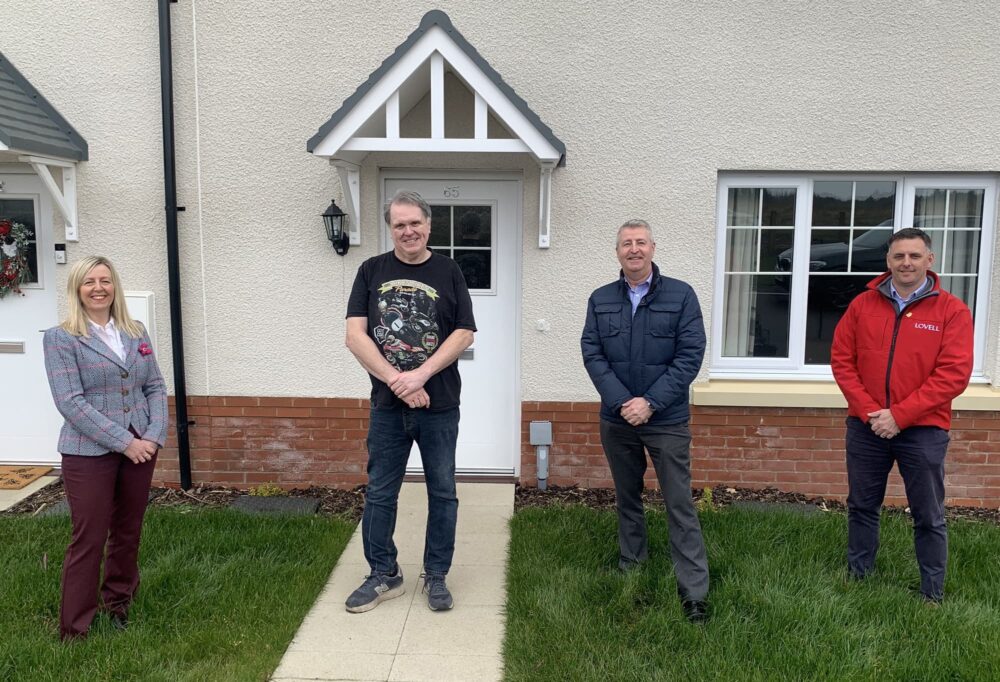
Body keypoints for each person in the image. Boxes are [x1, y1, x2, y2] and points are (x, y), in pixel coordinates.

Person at [344, 190, 476, 613]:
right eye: (399, 224)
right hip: (387, 407)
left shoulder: (449, 271)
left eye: (414, 223)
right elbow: (355, 336)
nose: (408, 231)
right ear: (391, 229)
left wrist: (420, 375)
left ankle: (436, 575)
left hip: (439, 407)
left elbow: (464, 333)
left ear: (428, 224)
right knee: (380, 493)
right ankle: (384, 573)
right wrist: (399, 381)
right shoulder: (370, 271)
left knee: (443, 492)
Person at [831, 227, 973, 603]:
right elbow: (842, 361)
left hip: (924, 429)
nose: (906, 262)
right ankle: (859, 578)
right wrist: (870, 412)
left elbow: (953, 375)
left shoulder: (951, 311)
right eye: (898, 256)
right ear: (888, 261)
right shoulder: (862, 305)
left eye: (914, 255)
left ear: (930, 260)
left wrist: (901, 415)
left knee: (928, 514)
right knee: (862, 506)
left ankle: (932, 591)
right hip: (867, 425)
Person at [581, 219, 710, 623]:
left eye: (640, 243)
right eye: (626, 244)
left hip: (666, 418)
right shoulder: (600, 298)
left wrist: (650, 402)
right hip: (617, 419)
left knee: (678, 502)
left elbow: (690, 355)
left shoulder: (681, 295)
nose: (633, 249)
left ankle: (693, 591)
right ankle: (631, 566)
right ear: (616, 251)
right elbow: (592, 353)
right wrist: (623, 402)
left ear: (653, 248)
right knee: (627, 496)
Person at [42, 256, 167, 640]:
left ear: (115, 287)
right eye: (89, 282)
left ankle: (118, 605)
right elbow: (70, 402)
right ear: (77, 289)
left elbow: (156, 387)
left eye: (105, 281)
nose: (98, 288)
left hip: (141, 447)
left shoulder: (135, 330)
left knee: (128, 531)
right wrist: (125, 441)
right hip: (88, 451)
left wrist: (153, 436)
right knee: (90, 537)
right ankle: (75, 627)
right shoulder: (61, 337)